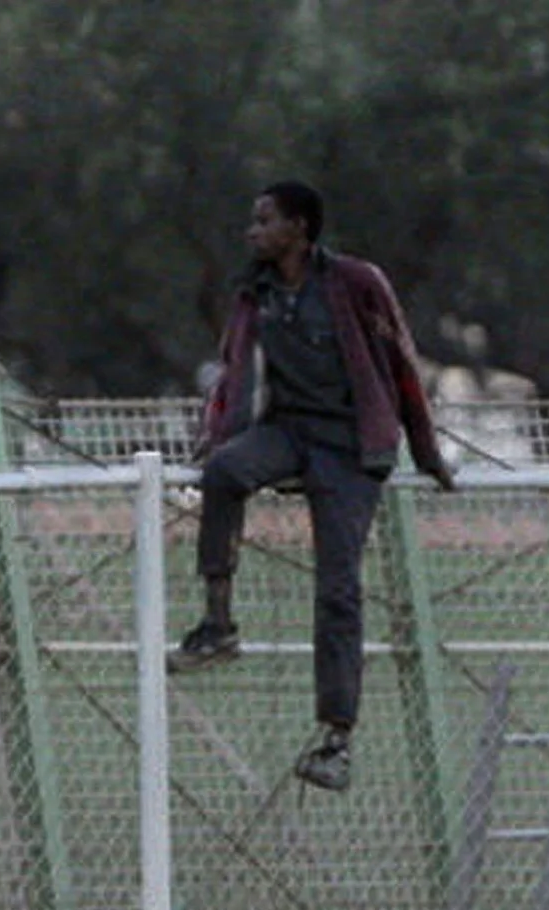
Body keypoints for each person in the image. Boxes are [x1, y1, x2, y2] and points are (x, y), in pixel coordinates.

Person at [170, 180, 455, 793]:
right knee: (224, 474)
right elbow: (234, 370)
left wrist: (426, 451)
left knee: (337, 588)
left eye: (264, 220)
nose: (252, 232)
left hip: (350, 448)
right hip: (289, 432)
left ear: (299, 227)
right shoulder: (257, 293)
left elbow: (401, 363)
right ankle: (217, 624)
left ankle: (336, 737)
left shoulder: (355, 283)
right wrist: (216, 435)